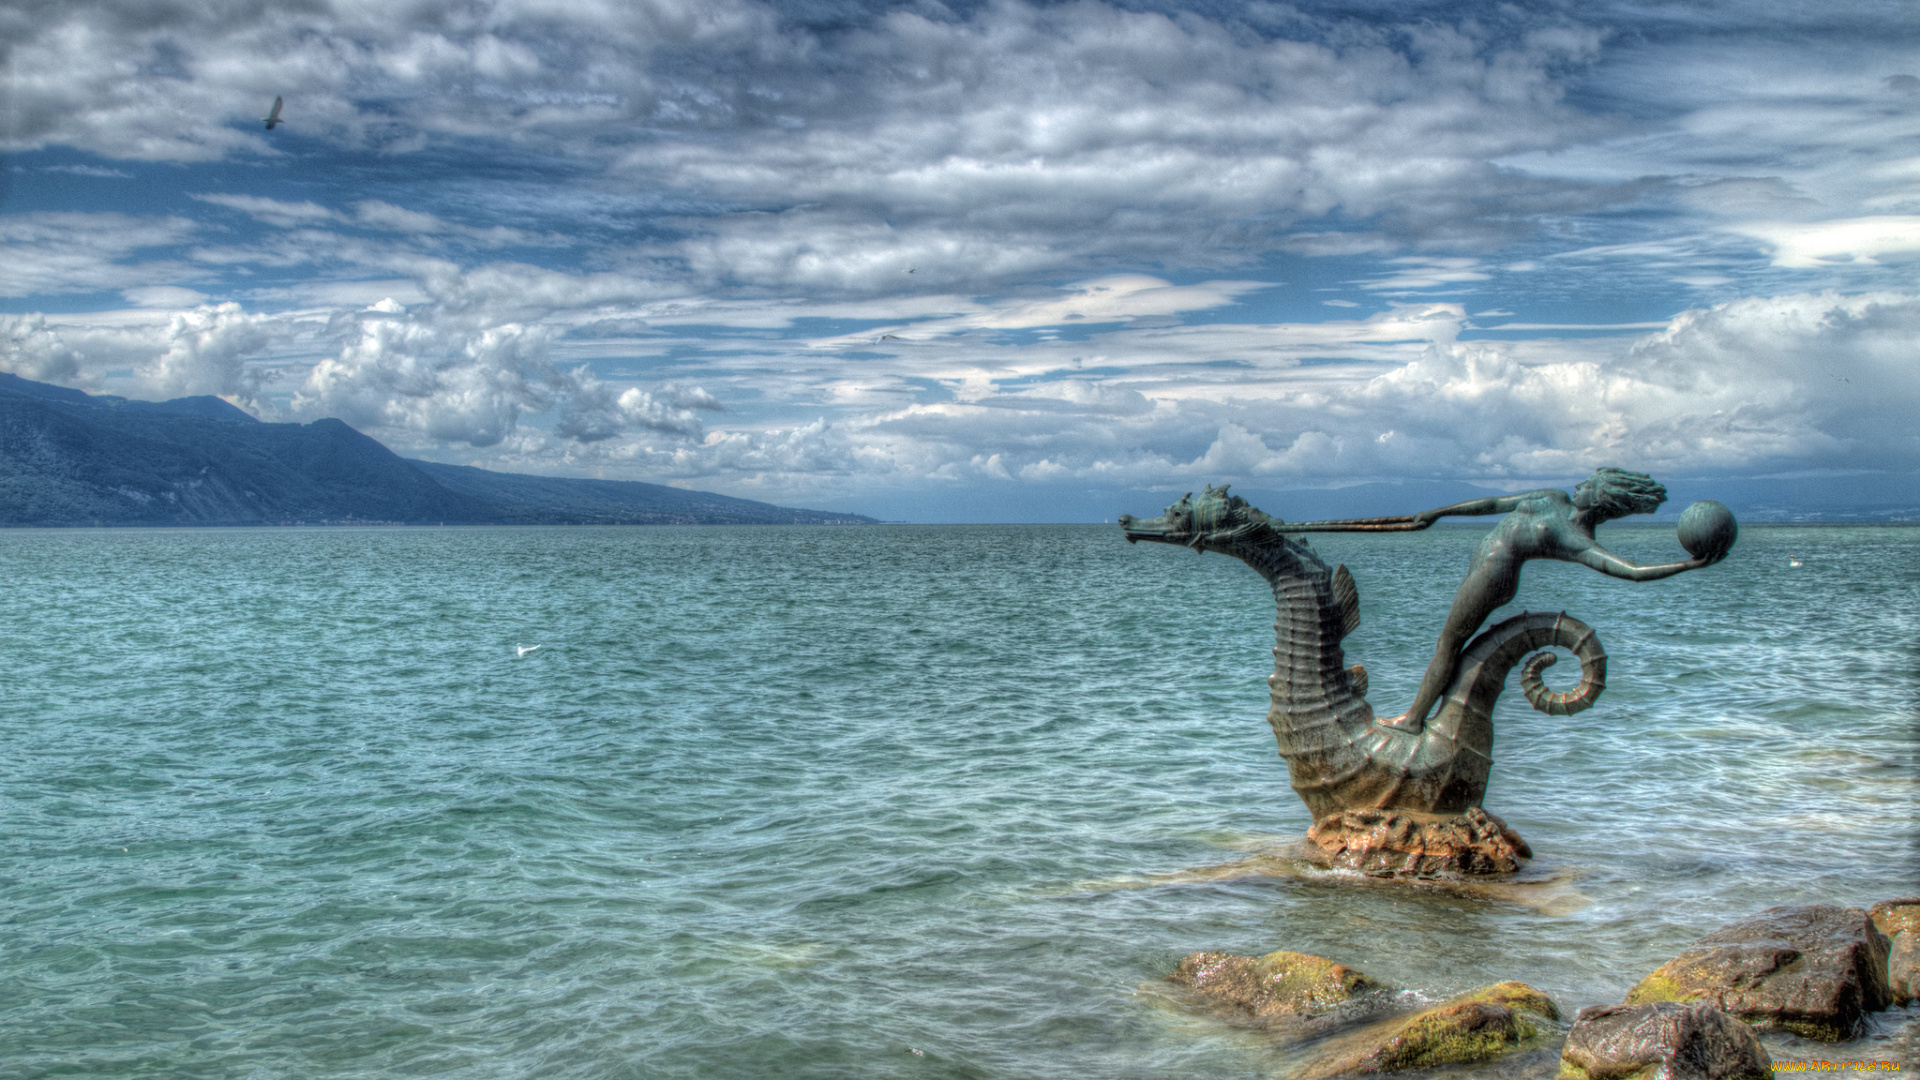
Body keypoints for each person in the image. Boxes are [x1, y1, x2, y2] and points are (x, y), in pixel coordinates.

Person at [1380, 467, 1723, 733]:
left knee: (1448, 644)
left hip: (1493, 577)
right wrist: (1438, 513)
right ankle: (1430, 716)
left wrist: (1686, 566)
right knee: (1453, 645)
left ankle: (1413, 720)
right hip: (1481, 570)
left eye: (1588, 484)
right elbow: (1495, 504)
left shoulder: (1578, 539)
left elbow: (1631, 570)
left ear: (1601, 498)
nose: (1579, 486)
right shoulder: (1552, 497)